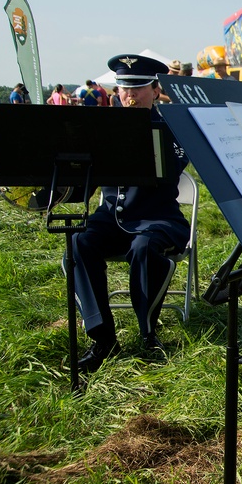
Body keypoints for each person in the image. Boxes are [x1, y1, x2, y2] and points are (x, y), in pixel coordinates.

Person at [72, 54, 190, 373]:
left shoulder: (172, 127)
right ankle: (102, 337)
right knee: (79, 241)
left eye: (138, 88)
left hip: (158, 217)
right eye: (125, 88)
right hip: (111, 219)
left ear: (154, 89)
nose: (131, 95)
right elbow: (84, 176)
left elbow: (170, 169)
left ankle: (147, 331)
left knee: (144, 247)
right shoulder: (101, 127)